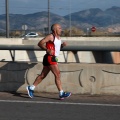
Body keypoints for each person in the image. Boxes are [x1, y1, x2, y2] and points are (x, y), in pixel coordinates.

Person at [26, 23, 71, 100]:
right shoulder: (50, 36)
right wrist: (47, 49)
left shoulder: (58, 38)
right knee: (57, 74)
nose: (61, 29)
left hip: (52, 58)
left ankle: (31, 87)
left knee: (43, 75)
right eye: (59, 28)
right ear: (55, 29)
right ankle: (61, 93)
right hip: (50, 58)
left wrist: (62, 46)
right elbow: (40, 43)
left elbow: (56, 48)